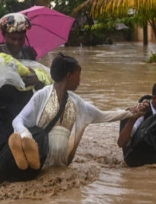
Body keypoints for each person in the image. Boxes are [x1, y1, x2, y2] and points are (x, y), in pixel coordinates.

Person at [7, 53, 143, 172]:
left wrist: (131, 112)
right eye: (78, 76)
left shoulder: (77, 102)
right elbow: (18, 120)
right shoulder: (41, 96)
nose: (79, 81)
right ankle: (26, 151)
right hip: (41, 160)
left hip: (62, 164)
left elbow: (102, 115)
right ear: (69, 76)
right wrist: (26, 135)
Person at [0, 13, 45, 151]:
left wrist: (36, 80)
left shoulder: (29, 53)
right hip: (1, 113)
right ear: (4, 34)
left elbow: (42, 86)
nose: (17, 42)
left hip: (25, 111)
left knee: (34, 147)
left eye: (21, 38)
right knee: (5, 150)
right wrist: (6, 80)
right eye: (12, 38)